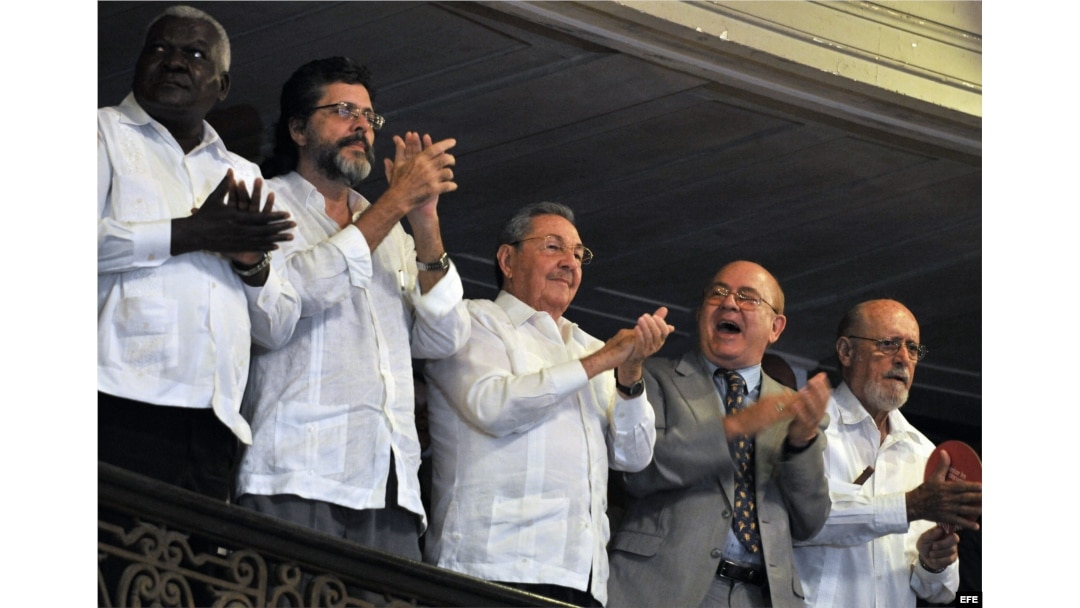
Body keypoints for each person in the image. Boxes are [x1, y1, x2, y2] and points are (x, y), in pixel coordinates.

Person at [234, 56, 468, 561]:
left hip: (389, 484)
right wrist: (394, 203)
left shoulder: (392, 229)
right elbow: (285, 307)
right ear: (298, 128)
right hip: (296, 471)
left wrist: (424, 219)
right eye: (343, 111)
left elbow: (444, 338)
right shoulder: (265, 203)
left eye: (368, 116)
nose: (362, 125)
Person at [422, 202, 674, 606]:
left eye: (578, 254)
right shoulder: (473, 322)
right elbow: (495, 407)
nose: (570, 263)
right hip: (491, 566)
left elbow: (633, 455)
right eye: (553, 247)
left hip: (580, 576)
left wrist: (630, 375)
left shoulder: (588, 345)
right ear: (508, 258)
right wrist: (600, 363)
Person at [98, 5, 299, 501]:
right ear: (139, 63)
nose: (175, 62)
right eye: (160, 49)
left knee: (190, 575)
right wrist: (189, 232)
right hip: (116, 400)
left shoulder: (244, 174)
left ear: (221, 86)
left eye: (193, 53)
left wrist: (252, 263)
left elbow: (278, 325)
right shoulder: (100, 133)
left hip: (215, 420)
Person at [607, 260, 832, 608]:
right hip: (663, 589)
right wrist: (737, 426)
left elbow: (809, 522)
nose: (729, 303)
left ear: (776, 327)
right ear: (700, 315)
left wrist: (801, 443)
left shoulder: (794, 408)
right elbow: (639, 474)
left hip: (760, 596)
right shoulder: (652, 378)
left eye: (747, 297)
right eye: (718, 293)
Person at [792, 299, 983, 607]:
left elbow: (940, 591)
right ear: (846, 351)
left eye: (912, 348)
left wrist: (934, 563)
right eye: (889, 343)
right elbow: (803, 524)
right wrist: (909, 507)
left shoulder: (924, 452)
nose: (903, 359)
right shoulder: (808, 429)